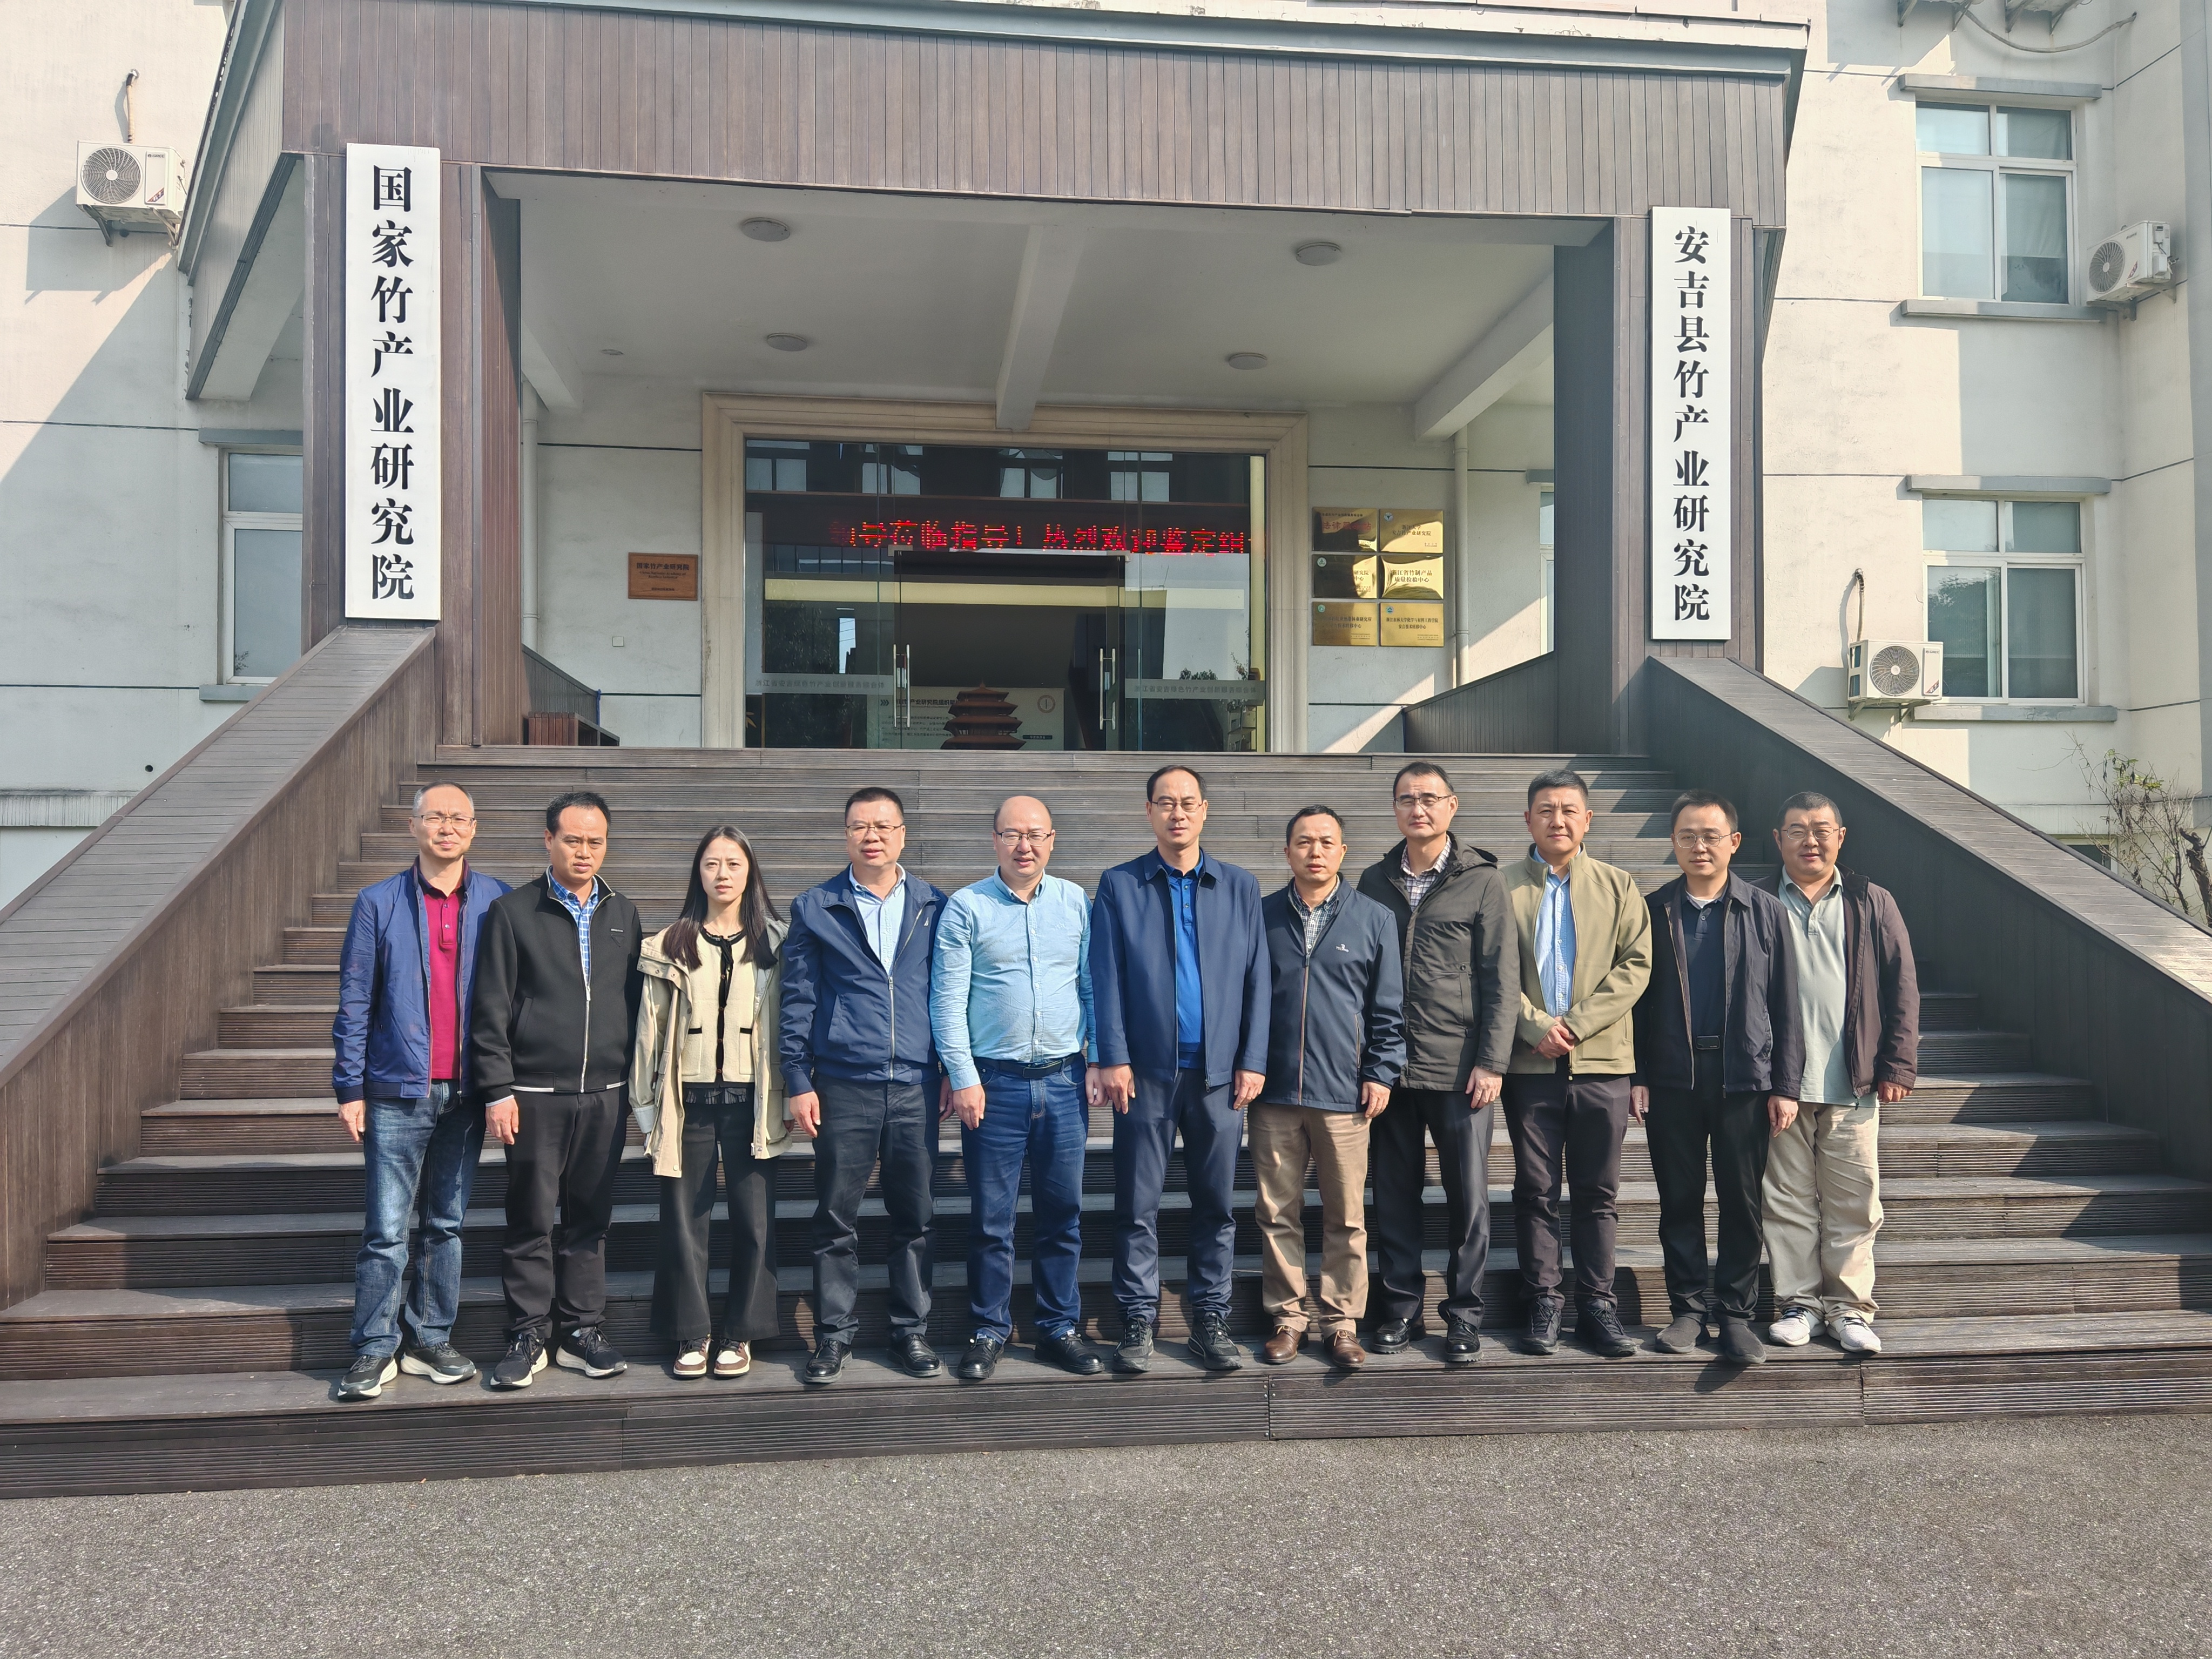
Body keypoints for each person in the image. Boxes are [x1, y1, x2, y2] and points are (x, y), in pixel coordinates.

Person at [331, 783, 511, 1401]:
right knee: (386, 1230)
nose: (447, 828)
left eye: (459, 818)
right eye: (435, 817)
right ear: (413, 827)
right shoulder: (377, 902)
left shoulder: (497, 901)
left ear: (474, 828)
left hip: (467, 1092)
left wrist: (501, 1084)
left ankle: (430, 1338)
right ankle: (374, 1347)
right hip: (395, 1091)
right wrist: (349, 1086)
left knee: (446, 1225)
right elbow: (355, 1001)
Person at [1089, 764, 1268, 1375]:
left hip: (1219, 1077)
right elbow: (1106, 975)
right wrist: (1112, 1056)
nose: (1177, 813)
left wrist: (1252, 1060)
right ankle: (1138, 1318)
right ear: (1149, 812)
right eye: (1165, 803)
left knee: (1215, 1205)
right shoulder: (1120, 884)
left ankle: (1209, 1318)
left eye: (1188, 803)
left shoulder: (1239, 886)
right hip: (1145, 1075)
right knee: (1137, 1205)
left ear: (1205, 810)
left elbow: (1257, 979)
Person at [473, 790, 644, 1390]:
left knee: (590, 1218)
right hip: (533, 1094)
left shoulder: (624, 912)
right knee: (530, 1217)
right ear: (549, 841)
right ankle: (527, 1333)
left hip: (606, 1093)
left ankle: (581, 1331)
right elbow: (491, 1008)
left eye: (595, 842)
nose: (584, 851)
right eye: (573, 840)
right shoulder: (513, 912)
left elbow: (635, 1006)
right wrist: (497, 1088)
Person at [931, 795, 1103, 1382]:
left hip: (1064, 1081)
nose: (1024, 846)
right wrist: (963, 1076)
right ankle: (988, 1329)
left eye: (1035, 835)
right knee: (991, 1219)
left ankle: (1059, 1328)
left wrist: (1100, 1058)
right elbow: (947, 1001)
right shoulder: (967, 907)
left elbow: (1090, 987)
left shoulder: (1075, 902)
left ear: (1052, 840)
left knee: (1063, 1215)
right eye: (1012, 834)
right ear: (995, 840)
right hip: (994, 1085)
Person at [781, 786, 949, 1385]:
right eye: (859, 826)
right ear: (845, 834)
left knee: (916, 1216)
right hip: (844, 1084)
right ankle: (833, 1337)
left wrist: (950, 1070)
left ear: (903, 834)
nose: (871, 836)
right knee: (836, 1217)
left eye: (883, 826)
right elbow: (797, 998)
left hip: (916, 1085)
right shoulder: (816, 907)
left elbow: (950, 994)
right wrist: (797, 1078)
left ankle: (911, 1332)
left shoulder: (934, 905)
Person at [1630, 792, 1804, 1367]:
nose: (1699, 846)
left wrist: (1786, 1085)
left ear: (1734, 842)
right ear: (1673, 843)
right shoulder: (1653, 910)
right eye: (1687, 836)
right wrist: (1638, 1074)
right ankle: (1686, 1309)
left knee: (1741, 1200)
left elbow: (1787, 1005)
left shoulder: (1765, 911)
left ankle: (1734, 1314)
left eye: (1710, 836)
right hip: (1672, 1078)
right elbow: (1636, 1003)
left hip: (1744, 1078)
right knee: (1678, 1199)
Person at [1355, 761, 1519, 1366]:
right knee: (1393, 1195)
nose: (1417, 809)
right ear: (1394, 809)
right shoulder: (1373, 880)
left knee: (1468, 1198)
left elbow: (1501, 978)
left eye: (1429, 798)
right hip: (1391, 1070)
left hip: (1460, 1069)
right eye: (1406, 799)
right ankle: (1399, 1310)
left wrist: (1492, 1062)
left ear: (1452, 806)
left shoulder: (1483, 880)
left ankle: (1464, 1315)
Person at [1501, 769, 1652, 1359]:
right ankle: (1543, 1301)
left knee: (1597, 1192)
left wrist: (1578, 1025)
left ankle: (1596, 1305)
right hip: (1529, 1066)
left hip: (1602, 1065)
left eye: (1569, 810)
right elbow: (1492, 971)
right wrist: (1536, 1026)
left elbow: (1636, 966)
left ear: (1587, 820)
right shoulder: (1502, 887)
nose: (1557, 820)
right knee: (1535, 1190)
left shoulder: (1618, 885)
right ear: (1528, 820)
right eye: (1546, 810)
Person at [632, 825, 791, 1381]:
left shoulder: (778, 943)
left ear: (751, 873)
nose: (722, 874)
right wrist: (645, 1108)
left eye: (733, 864)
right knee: (683, 1221)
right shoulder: (668, 944)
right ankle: (691, 1332)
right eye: (711, 864)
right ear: (697, 873)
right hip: (688, 1103)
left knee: (755, 1221)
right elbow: (649, 1030)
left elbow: (792, 1022)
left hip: (754, 1101)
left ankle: (741, 1332)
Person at [1765, 791, 1919, 1356]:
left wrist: (1897, 1063)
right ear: (1777, 839)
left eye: (1821, 830)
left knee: (1855, 1204)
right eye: (1797, 830)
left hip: (1853, 1083)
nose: (1810, 841)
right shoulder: (1758, 900)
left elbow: (1902, 985)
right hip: (1781, 1086)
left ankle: (1849, 1309)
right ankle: (1799, 1305)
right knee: (1787, 1202)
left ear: (1841, 837)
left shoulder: (1870, 900)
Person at [1253, 806, 1405, 1371]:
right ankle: (1288, 1319)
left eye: (1325, 842)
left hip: (1344, 1095)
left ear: (1342, 851)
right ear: (1286, 852)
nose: (1314, 852)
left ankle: (1342, 1324)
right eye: (1303, 842)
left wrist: (1381, 1071)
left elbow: (1388, 1007)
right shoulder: (1261, 915)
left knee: (1346, 1217)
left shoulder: (1373, 918)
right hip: (1273, 1094)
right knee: (1277, 1213)